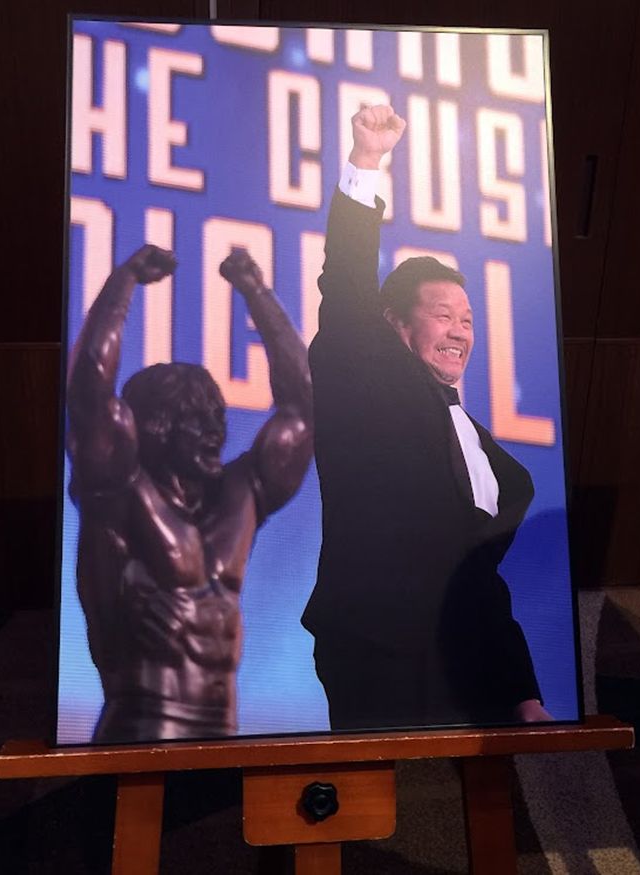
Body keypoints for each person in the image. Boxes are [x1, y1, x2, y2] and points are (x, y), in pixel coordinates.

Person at [302, 105, 551, 730]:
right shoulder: (364, 381)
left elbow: (479, 578)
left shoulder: (488, 455)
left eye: (467, 320)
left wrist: (523, 692)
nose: (460, 331)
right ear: (394, 325)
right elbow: (348, 285)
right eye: (443, 315)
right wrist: (367, 160)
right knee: (374, 786)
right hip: (377, 648)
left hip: (469, 661)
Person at [67, 244, 313, 743]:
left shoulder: (240, 497)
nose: (216, 432)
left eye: (217, 417)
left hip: (222, 735)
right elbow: (91, 393)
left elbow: (305, 409)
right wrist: (124, 282)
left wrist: (257, 292)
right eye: (196, 419)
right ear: (157, 427)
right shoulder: (120, 495)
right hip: (142, 730)